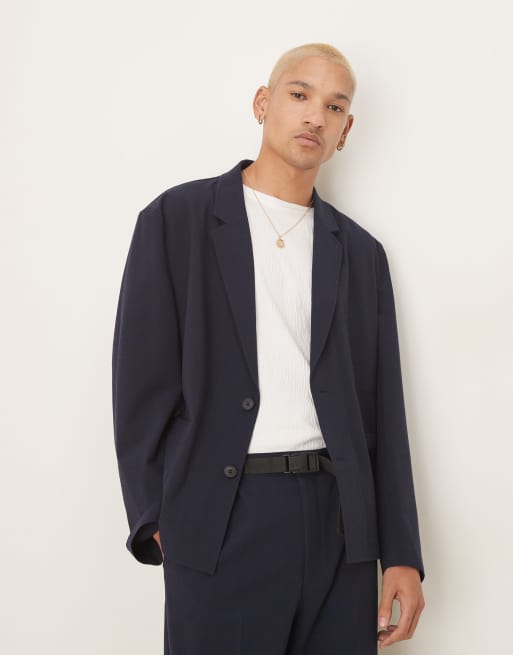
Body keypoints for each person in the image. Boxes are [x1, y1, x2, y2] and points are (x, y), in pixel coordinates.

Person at [112, 42, 425, 654]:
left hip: (340, 528)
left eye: (334, 106)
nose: (315, 116)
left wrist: (402, 553)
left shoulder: (361, 254)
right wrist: (156, 518)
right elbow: (140, 384)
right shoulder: (177, 220)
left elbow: (383, 413)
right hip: (224, 516)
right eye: (299, 94)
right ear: (263, 102)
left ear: (345, 131)